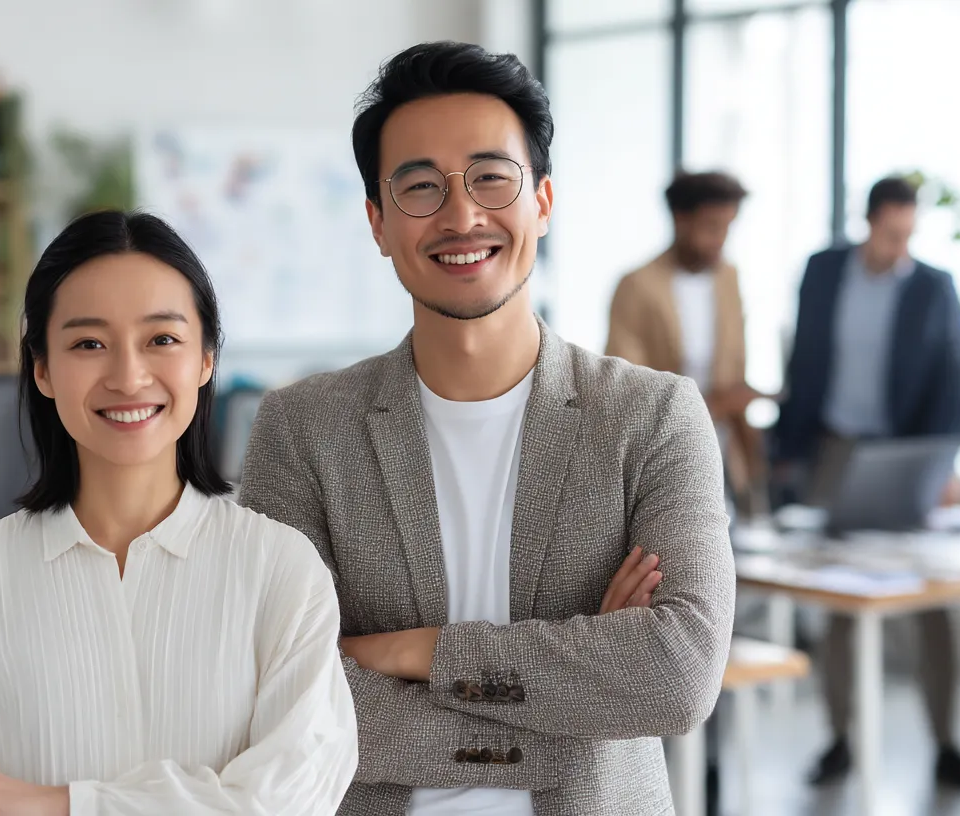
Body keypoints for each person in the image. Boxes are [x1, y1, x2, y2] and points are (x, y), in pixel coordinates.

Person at [237, 41, 735, 816]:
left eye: (491, 179)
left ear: (541, 200)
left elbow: (676, 674)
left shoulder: (653, 416)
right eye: (421, 187)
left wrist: (414, 651)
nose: (461, 215)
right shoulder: (302, 428)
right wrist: (576, 701)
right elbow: (276, 694)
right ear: (377, 222)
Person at [0, 211, 357, 816]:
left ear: (205, 360)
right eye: (89, 343)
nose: (128, 376)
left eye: (161, 339)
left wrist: (54, 804)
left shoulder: (281, 570)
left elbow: (287, 802)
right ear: (42, 369)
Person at [772, 176, 960, 789]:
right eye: (892, 232)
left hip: (908, 454)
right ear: (870, 222)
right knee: (840, 604)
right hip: (837, 450)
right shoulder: (823, 272)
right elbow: (804, 366)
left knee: (932, 600)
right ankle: (840, 739)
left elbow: (959, 373)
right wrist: (785, 452)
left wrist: (952, 466)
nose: (901, 245)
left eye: (909, 233)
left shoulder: (932, 286)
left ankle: (948, 744)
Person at [606, 171, 767, 516]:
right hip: (663, 455)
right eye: (711, 227)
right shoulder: (637, 286)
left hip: (724, 453)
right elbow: (626, 390)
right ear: (681, 219)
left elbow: (735, 365)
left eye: (728, 227)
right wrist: (714, 405)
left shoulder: (728, 278)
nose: (720, 239)